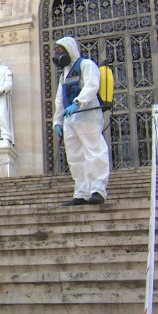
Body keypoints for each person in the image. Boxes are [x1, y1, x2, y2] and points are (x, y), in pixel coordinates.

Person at [52, 36, 110, 206]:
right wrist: (57, 122)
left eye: (60, 50)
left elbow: (92, 85)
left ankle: (97, 189)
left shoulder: (86, 65)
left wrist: (78, 103)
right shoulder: (64, 74)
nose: (58, 54)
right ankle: (81, 191)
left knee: (94, 150)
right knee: (75, 156)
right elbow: (59, 100)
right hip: (71, 120)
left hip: (87, 115)